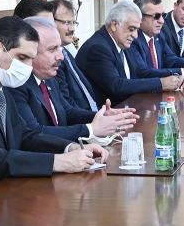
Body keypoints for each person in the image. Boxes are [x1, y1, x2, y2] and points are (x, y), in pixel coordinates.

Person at [0, 16, 106, 202]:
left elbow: (24, 134)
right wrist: (58, 162)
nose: (28, 67)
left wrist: (70, 148)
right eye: (22, 57)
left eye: (31, 58)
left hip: (7, 194)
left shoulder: (0, 80)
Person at [8, 16, 137, 142]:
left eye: (60, 48)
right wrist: (90, 129)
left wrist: (102, 117)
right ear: (30, 52)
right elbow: (34, 133)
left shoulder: (49, 76)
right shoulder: (17, 84)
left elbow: (67, 112)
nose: (61, 57)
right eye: (52, 49)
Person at [75, 1, 184, 105]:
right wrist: (160, 84)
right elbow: (116, 86)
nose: (135, 35)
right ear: (114, 25)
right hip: (105, 113)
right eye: (131, 29)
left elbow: (141, 72)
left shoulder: (122, 42)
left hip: (129, 108)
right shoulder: (98, 48)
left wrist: (177, 78)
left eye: (137, 30)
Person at [131, 0, 184, 80]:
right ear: (140, 17)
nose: (161, 21)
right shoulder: (132, 39)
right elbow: (144, 73)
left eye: (163, 15)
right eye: (156, 16)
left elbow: (171, 59)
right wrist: (183, 72)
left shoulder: (158, 36)